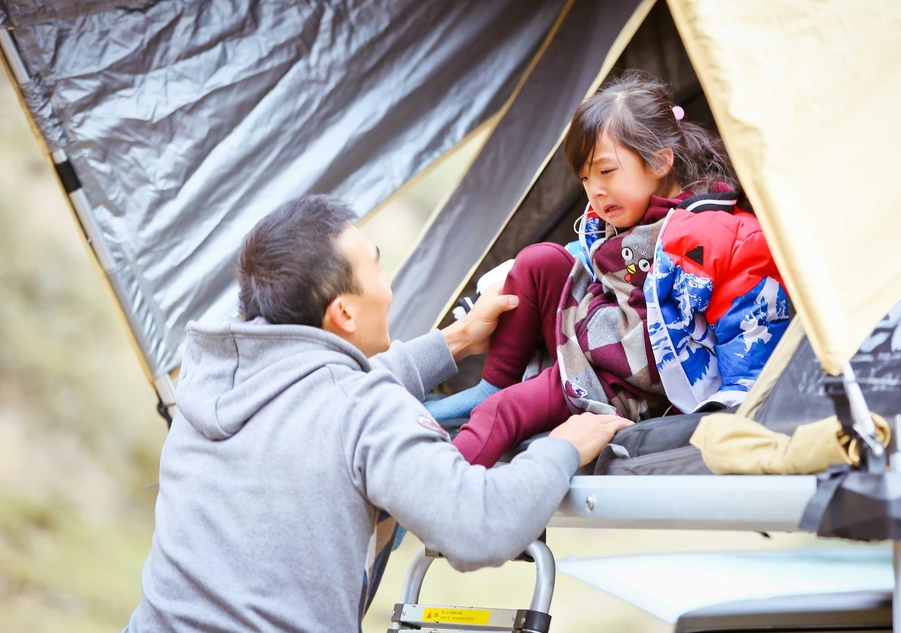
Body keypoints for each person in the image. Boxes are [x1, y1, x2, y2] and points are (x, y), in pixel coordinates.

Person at [124, 195, 630, 633]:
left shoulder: (206, 380)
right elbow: (479, 525)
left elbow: (313, 393)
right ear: (343, 313)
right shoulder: (361, 408)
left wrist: (454, 340)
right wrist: (563, 445)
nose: (388, 285)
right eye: (379, 268)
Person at [426, 71, 791, 467]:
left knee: (502, 413)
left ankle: (436, 488)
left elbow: (751, 316)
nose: (595, 190)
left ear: (660, 160)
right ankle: (492, 384)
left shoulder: (717, 233)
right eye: (585, 178)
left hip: (622, 383)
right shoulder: (620, 220)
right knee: (538, 260)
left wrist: (736, 401)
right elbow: (585, 257)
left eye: (605, 171)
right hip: (596, 336)